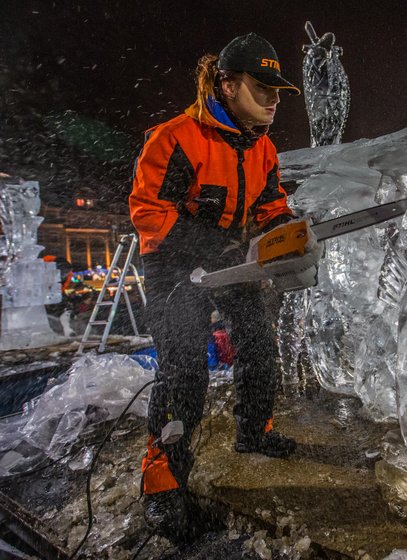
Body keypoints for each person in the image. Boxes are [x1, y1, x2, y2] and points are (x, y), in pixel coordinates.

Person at [128, 32, 302, 540]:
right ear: (227, 85)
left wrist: (284, 231)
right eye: (261, 86)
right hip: (173, 265)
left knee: (258, 344)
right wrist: (204, 244)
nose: (272, 99)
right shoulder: (176, 137)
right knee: (184, 368)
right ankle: (161, 482)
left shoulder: (263, 147)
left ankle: (254, 430)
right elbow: (148, 210)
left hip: (232, 262)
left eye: (277, 91)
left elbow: (270, 205)